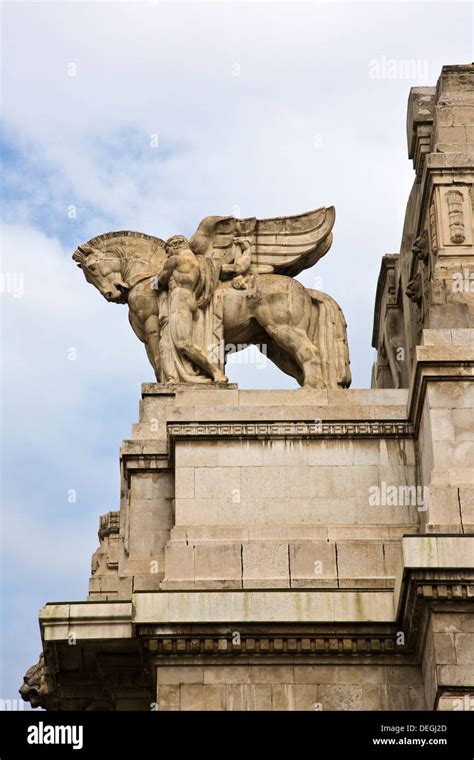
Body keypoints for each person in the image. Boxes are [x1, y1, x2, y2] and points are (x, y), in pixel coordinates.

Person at [158, 235, 228, 383]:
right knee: (185, 343)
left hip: (179, 300)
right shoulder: (200, 262)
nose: (168, 253)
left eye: (168, 249)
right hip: (191, 299)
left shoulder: (174, 260)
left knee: (182, 343)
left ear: (176, 245)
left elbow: (160, 281)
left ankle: (215, 372)